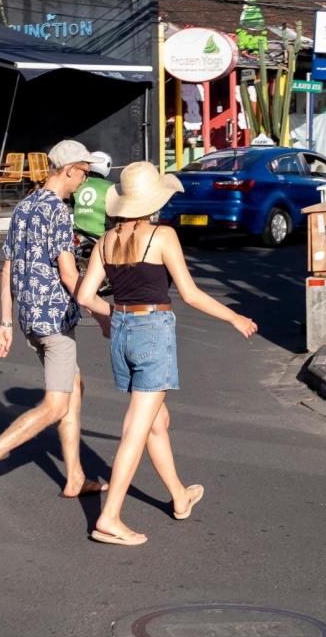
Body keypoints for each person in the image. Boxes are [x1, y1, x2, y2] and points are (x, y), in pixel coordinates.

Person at [76, 162, 257, 546]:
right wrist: (234, 316)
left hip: (123, 335)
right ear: (153, 200)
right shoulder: (162, 236)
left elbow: (85, 296)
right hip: (153, 333)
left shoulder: (105, 241)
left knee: (157, 420)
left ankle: (179, 495)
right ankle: (109, 517)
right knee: (135, 430)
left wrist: (115, 317)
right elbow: (190, 294)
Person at [0, 140, 107, 512]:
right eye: (84, 172)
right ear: (70, 169)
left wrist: (6, 322)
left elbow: (7, 268)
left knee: (74, 386)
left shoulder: (24, 206)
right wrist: (101, 309)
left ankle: (74, 476)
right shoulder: (58, 211)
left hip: (29, 318)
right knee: (56, 405)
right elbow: (69, 273)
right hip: (54, 321)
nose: (83, 180)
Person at [72, 151, 115, 238]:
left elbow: (73, 203)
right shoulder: (111, 186)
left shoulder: (78, 183)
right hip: (99, 235)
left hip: (76, 233)